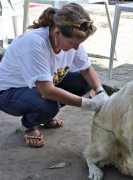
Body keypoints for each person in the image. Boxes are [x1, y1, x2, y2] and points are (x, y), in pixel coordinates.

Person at [0, 3, 108, 148]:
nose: (76, 48)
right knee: (49, 105)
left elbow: (87, 70)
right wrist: (88, 104)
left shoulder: (70, 38)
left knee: (83, 81)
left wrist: (101, 92)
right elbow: (47, 91)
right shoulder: (35, 43)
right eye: (72, 43)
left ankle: (43, 115)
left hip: (39, 86)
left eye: (79, 44)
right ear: (57, 33)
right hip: (8, 92)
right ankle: (30, 124)